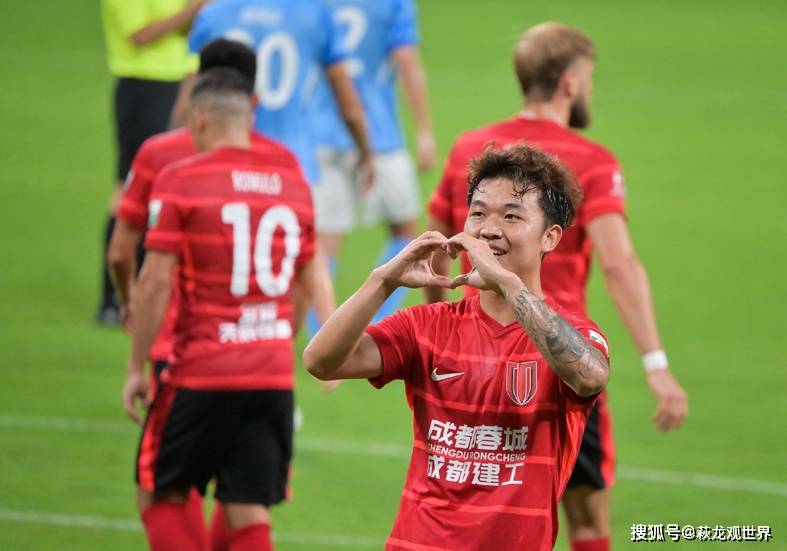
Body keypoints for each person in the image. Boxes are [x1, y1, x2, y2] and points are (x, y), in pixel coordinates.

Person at [425, 22, 689, 551]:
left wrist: (439, 339)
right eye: (588, 78)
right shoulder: (591, 161)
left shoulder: (472, 151)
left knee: (476, 509)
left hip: (477, 360)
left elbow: (437, 248)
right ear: (571, 82)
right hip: (561, 356)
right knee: (587, 518)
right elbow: (619, 265)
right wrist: (657, 364)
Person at [305, 144, 612, 551]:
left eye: (511, 217)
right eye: (478, 214)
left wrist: (507, 283)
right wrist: (383, 281)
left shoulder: (573, 334)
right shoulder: (428, 326)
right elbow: (321, 361)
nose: (488, 230)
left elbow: (590, 377)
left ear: (550, 237)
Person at [109, 39, 303, 550]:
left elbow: (135, 263)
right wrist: (281, 338)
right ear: (252, 102)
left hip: (192, 356)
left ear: (196, 108)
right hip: (269, 362)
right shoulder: (285, 167)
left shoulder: (172, 167)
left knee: (163, 490)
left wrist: (132, 348)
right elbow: (308, 273)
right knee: (246, 503)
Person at [310, 0, 436, 324]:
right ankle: (372, 323)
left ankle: (324, 335)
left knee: (322, 245)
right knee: (407, 234)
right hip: (379, 134)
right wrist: (424, 130)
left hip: (323, 135)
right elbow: (406, 59)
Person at [98, 0, 207, 325]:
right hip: (143, 87)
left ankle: (152, 288)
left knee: (171, 188)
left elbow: (189, 30)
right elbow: (139, 36)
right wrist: (191, 11)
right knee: (131, 189)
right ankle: (112, 299)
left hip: (181, 84)